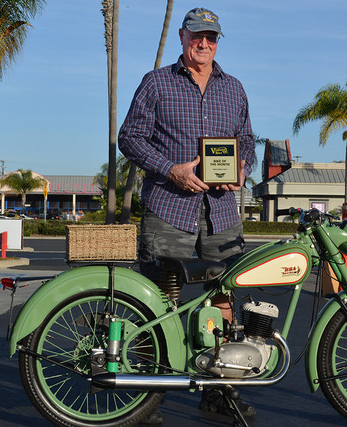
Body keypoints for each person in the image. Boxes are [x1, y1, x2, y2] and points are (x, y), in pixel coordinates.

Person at [118, 6, 256, 423]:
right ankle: (146, 400)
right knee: (161, 301)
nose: (204, 43)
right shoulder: (156, 83)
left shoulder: (233, 89)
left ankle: (218, 393)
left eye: (211, 37)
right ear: (182, 36)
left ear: (217, 41)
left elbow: (246, 139)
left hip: (221, 214)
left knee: (224, 299)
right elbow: (130, 138)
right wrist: (170, 170)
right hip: (168, 207)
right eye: (197, 35)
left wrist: (242, 168)